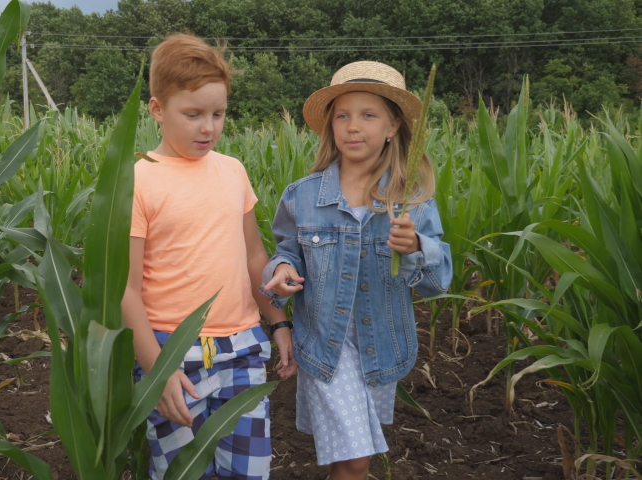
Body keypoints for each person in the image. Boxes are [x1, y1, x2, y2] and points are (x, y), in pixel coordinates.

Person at [261, 61, 453, 480]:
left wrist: (418, 248)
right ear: (330, 126)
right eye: (343, 115)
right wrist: (281, 273)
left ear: (392, 126)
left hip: (380, 347)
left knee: (350, 463)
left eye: (368, 115)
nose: (353, 126)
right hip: (325, 348)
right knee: (357, 458)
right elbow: (286, 254)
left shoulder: (412, 202)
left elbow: (438, 286)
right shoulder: (303, 196)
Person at [122, 33, 298, 480]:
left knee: (250, 471)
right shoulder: (137, 181)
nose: (208, 127)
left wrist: (277, 322)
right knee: (183, 473)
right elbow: (126, 290)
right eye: (193, 114)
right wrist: (156, 372)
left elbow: (253, 254)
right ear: (157, 109)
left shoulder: (232, 170)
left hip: (241, 350)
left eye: (218, 114)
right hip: (171, 355)